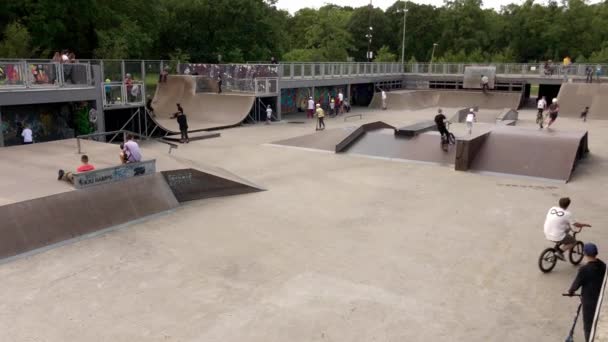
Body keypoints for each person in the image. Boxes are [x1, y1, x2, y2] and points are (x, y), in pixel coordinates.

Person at [568, 243, 606, 342]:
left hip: (589, 302)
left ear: (585, 254)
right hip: (601, 299)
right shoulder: (603, 265)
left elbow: (575, 285)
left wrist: (571, 292)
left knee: (588, 325)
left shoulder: (584, 269)